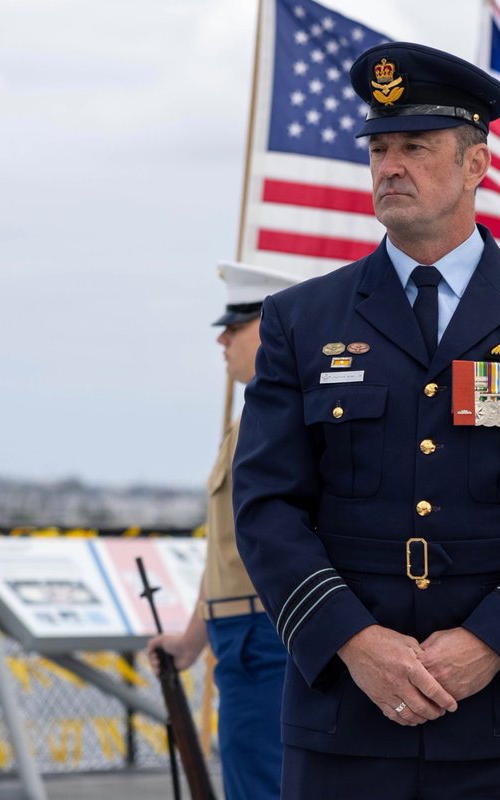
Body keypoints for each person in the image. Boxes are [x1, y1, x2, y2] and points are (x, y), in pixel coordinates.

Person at [233, 41, 500, 799]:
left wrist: (489, 643)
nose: (390, 167)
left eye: (415, 147)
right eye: (379, 148)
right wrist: (355, 642)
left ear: (476, 165)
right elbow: (265, 506)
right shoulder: (301, 321)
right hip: (343, 719)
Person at [147, 261, 291, 800]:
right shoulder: (251, 419)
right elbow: (231, 548)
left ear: (275, 326)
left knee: (261, 785)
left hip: (267, 634)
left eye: (238, 323)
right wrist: (191, 641)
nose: (222, 338)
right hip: (242, 632)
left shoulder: (282, 419)